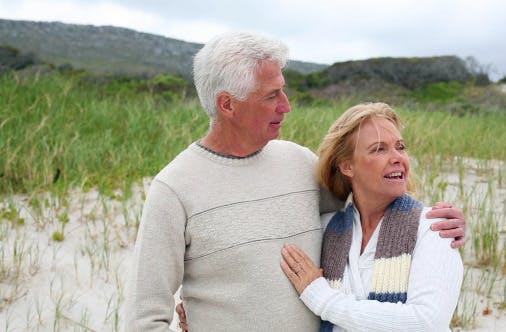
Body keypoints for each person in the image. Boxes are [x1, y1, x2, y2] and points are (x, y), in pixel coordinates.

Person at [126, 31, 466, 332]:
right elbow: (144, 316)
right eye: (271, 96)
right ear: (227, 104)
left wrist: (446, 224)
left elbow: (372, 202)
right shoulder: (174, 188)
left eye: (283, 92)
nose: (286, 106)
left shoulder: (300, 163)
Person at [280, 102, 463, 331]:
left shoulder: (434, 228)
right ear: (347, 166)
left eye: (400, 147)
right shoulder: (327, 229)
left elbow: (426, 322)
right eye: (379, 149)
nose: (397, 158)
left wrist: (322, 298)